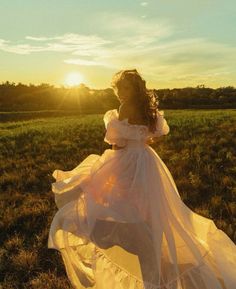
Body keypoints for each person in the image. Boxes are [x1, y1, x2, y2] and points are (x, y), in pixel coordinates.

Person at [48, 69, 236, 289]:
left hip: (127, 160)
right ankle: (150, 259)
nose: (120, 92)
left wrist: (109, 162)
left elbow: (117, 142)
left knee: (110, 200)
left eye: (124, 88)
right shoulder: (149, 109)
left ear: (134, 88)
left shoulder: (125, 108)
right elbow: (151, 136)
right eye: (118, 88)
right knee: (148, 209)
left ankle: (137, 250)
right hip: (147, 160)